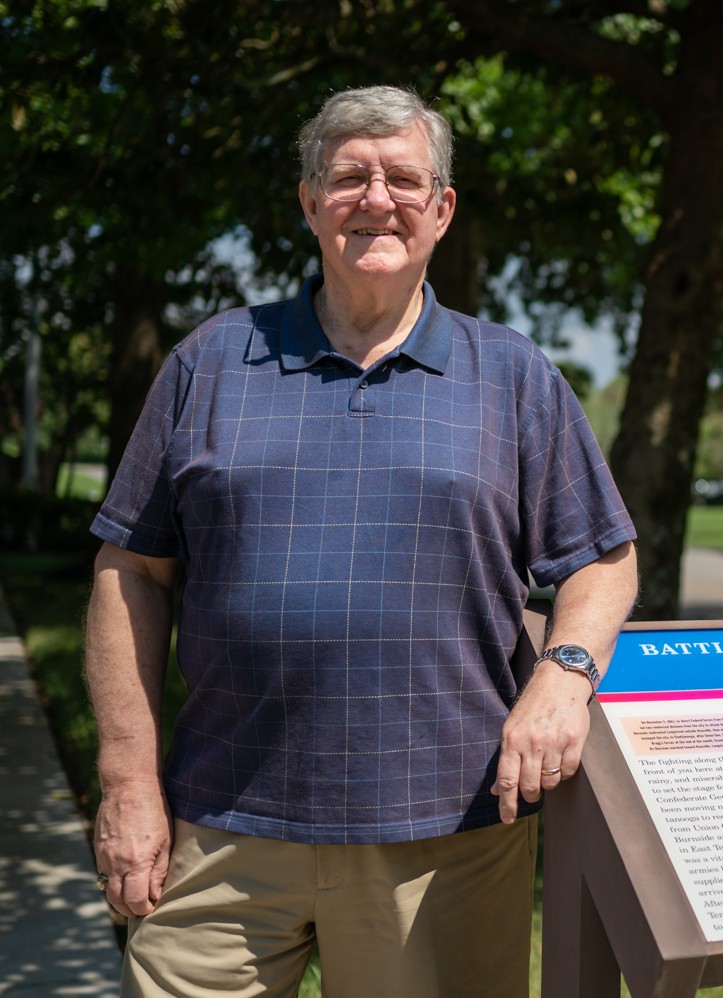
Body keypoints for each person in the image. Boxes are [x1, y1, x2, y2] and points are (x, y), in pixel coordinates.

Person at [85, 85, 638, 997]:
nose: (376, 198)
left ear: (442, 209)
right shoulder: (211, 361)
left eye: (403, 179)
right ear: (308, 203)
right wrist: (127, 781)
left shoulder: (513, 374)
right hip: (220, 827)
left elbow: (602, 560)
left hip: (443, 836)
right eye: (348, 178)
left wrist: (563, 673)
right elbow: (129, 571)